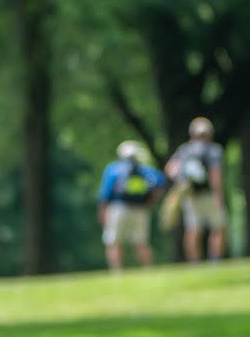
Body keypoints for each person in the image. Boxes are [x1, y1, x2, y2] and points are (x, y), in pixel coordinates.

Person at [166, 116, 228, 262]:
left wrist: (181, 183)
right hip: (208, 195)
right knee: (219, 228)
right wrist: (218, 194)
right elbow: (215, 175)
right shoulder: (213, 150)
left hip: (189, 195)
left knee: (193, 230)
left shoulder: (184, 150)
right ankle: (215, 261)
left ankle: (194, 263)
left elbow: (170, 169)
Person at [97, 140, 165, 272]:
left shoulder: (114, 169)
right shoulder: (145, 170)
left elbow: (104, 195)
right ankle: (148, 270)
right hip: (140, 209)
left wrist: (102, 213)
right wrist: (151, 202)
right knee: (141, 242)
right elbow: (160, 182)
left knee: (114, 242)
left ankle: (117, 272)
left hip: (118, 209)